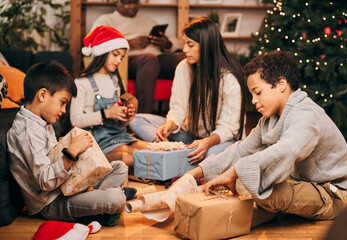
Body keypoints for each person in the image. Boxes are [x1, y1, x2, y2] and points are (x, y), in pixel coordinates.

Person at [186, 50, 347, 227]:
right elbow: (241, 150)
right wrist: (191, 175)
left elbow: (288, 148)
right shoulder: (268, 120)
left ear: (281, 84)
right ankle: (269, 212)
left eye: (258, 92)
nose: (253, 101)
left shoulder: (306, 114)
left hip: (330, 194)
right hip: (302, 184)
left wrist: (234, 172)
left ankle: (271, 209)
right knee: (245, 179)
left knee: (249, 182)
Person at [7, 61, 136, 227]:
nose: (63, 110)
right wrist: (70, 153)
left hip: (66, 186)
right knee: (116, 199)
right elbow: (45, 182)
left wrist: (62, 147)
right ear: (43, 95)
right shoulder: (26, 131)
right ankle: (99, 207)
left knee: (120, 167)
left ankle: (96, 203)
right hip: (50, 202)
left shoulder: (41, 121)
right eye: (62, 102)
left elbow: (49, 157)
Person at [130, 17, 248, 164]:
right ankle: (184, 153)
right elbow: (178, 108)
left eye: (190, 45)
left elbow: (229, 128)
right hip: (190, 136)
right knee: (136, 120)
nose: (185, 49)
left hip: (220, 140)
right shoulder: (183, 67)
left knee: (211, 154)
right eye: (185, 43)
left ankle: (179, 154)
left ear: (206, 46)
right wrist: (170, 124)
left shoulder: (229, 78)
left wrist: (207, 142)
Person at [70, 25, 148, 167]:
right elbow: (75, 120)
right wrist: (106, 113)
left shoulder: (117, 81)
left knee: (152, 149)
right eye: (115, 54)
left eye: (122, 57)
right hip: (97, 143)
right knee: (131, 156)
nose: (119, 60)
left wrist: (127, 117)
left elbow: (120, 122)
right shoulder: (81, 82)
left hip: (120, 135)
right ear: (102, 52)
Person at [91, 0, 185, 113]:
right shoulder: (106, 20)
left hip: (158, 58)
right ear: (117, 2)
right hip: (129, 60)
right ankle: (141, 118)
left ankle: (189, 115)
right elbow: (94, 45)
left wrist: (166, 43)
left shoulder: (148, 20)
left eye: (135, 3)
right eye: (127, 3)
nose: (132, 6)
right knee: (149, 60)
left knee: (185, 58)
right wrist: (128, 43)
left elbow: (176, 43)